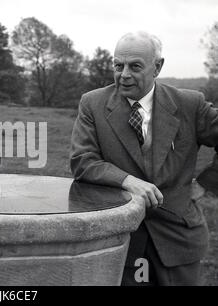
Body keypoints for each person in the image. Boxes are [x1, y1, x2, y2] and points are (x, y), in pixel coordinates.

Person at [70, 31, 218, 286]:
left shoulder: (189, 104)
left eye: (135, 66)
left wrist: (206, 183)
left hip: (178, 239)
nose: (124, 74)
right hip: (121, 239)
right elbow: (83, 160)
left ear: (157, 67)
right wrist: (128, 181)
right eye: (118, 65)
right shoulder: (92, 103)